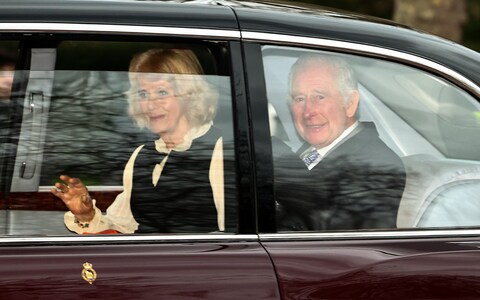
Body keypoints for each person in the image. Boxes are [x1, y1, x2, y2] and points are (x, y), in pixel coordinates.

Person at [51, 48, 225, 234]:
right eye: (143, 94)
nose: (150, 104)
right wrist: (87, 216)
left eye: (162, 92)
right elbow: (123, 226)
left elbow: (234, 241)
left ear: (189, 95)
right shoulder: (141, 155)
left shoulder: (220, 152)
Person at [274, 52, 406, 231]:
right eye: (300, 99)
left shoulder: (375, 165)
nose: (308, 111)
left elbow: (324, 238)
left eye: (319, 97)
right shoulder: (312, 151)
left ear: (350, 103)